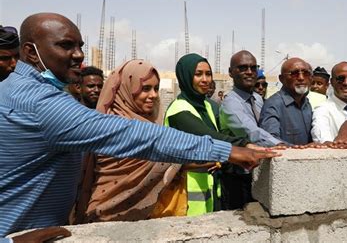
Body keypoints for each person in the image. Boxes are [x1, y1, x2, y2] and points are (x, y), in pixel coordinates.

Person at [0, 13, 279, 236]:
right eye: (65, 45)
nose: (78, 55)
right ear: (31, 52)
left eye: (80, 46)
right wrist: (226, 151)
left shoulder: (19, 90)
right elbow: (131, 135)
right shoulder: (39, 103)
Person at [74, 59, 182, 223]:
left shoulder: (152, 122)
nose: (153, 95)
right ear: (126, 89)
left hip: (144, 218)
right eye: (145, 89)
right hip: (105, 216)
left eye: (156, 89)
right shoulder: (110, 125)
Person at [165, 53, 255, 215]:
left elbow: (218, 136)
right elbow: (210, 138)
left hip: (211, 188)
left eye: (208, 74)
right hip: (187, 194)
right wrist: (245, 145)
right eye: (198, 74)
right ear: (185, 76)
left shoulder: (207, 106)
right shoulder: (178, 110)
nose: (205, 79)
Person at [219, 50, 283, 210]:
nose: (249, 72)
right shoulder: (230, 104)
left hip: (259, 174)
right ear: (230, 72)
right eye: (242, 68)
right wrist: (284, 146)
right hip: (238, 178)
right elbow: (252, 132)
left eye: (253, 68)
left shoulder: (258, 99)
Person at [260, 57, 313, 145]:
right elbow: (270, 140)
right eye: (294, 74)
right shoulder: (273, 105)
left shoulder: (306, 104)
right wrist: (301, 150)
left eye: (306, 73)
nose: (301, 78)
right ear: (281, 79)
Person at [311, 62, 347, 143]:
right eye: (341, 79)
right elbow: (323, 139)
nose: (346, 83)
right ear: (332, 82)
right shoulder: (322, 110)